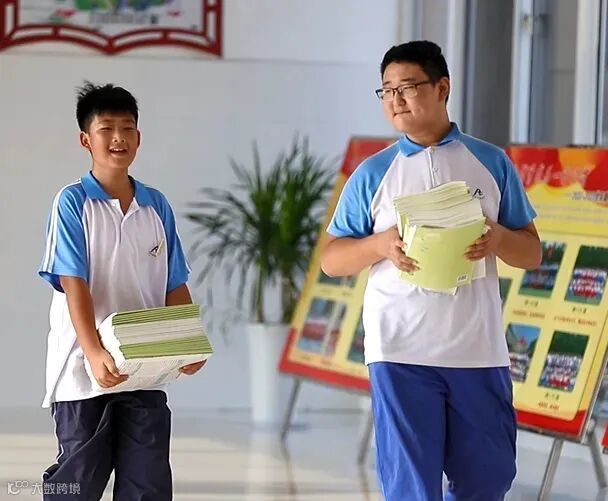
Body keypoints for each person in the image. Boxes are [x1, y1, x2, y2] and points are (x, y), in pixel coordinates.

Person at [321, 41, 542, 501]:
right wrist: (380, 245)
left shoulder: (491, 163)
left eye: (406, 87)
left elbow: (532, 253)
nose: (395, 100)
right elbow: (332, 259)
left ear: (442, 88)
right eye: (386, 91)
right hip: (400, 348)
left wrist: (499, 239)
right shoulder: (373, 173)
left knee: (488, 478)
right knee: (411, 486)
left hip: (477, 349)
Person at [38, 82, 205, 500]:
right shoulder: (72, 202)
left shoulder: (156, 205)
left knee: (147, 485)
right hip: (82, 373)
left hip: (145, 371)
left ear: (138, 136)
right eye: (106, 128)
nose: (118, 138)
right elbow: (73, 283)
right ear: (86, 140)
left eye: (127, 128)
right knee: (77, 485)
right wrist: (94, 351)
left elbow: (174, 281)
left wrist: (188, 344)